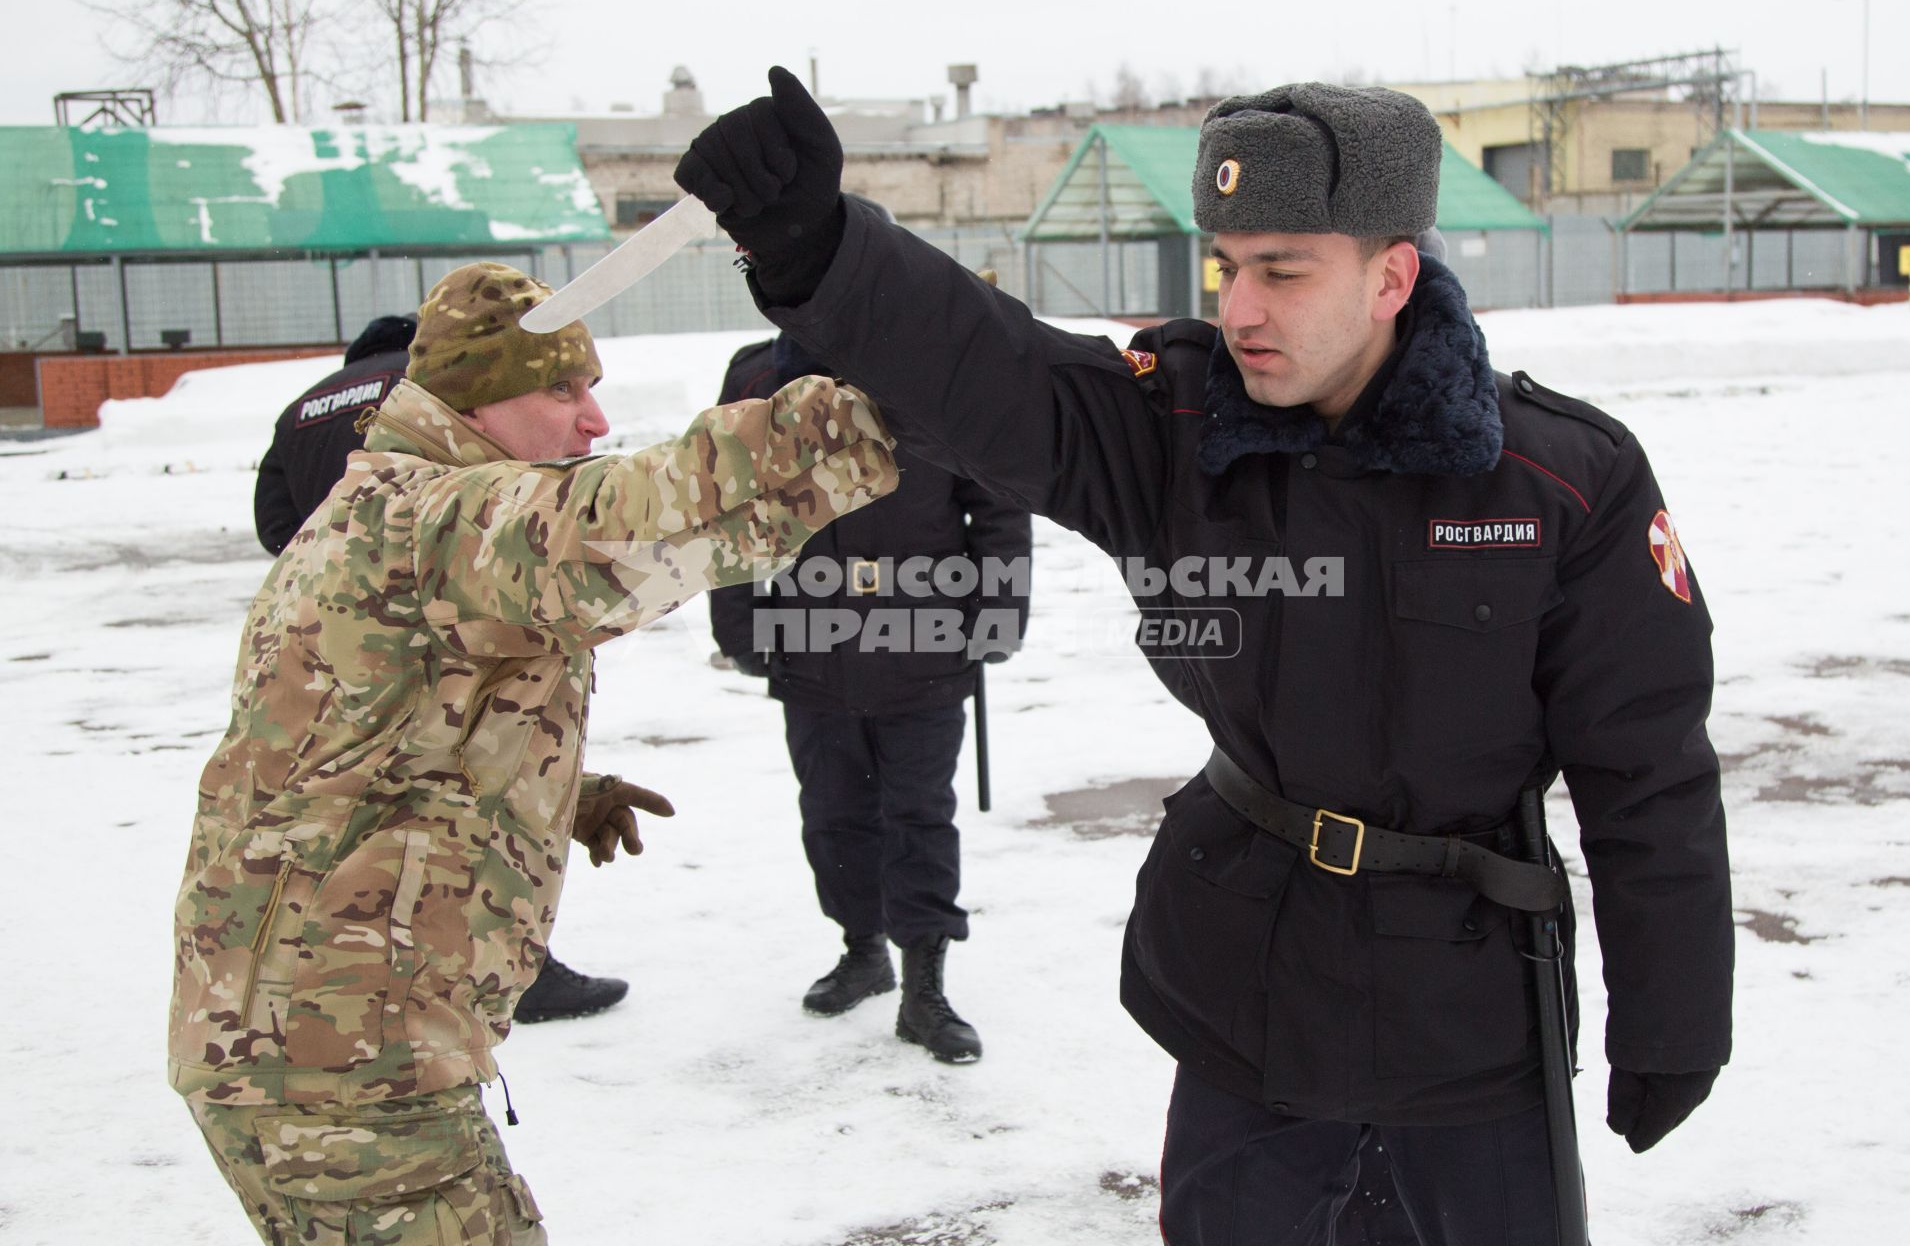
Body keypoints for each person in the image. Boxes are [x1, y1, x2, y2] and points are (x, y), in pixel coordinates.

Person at [674, 71, 1733, 1242]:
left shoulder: (1558, 481)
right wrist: (820, 248)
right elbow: (997, 372)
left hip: (1471, 1027)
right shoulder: (1178, 433)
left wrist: (1671, 1019)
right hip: (1249, 998)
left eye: (1283, 269)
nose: (1239, 308)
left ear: (1393, 275)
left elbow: (1648, 772)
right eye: (1227, 264)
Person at [170, 260, 897, 1244]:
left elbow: (345, 747)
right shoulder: (435, 520)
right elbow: (636, 521)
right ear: (473, 399)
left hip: (317, 1044)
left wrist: (554, 790)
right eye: (562, 389)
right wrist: (885, 402)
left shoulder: (386, 512)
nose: (593, 420)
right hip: (343, 1068)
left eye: (593, 386)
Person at [253, 311, 634, 1025]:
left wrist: (345, 570)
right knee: (466, 786)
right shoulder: (435, 392)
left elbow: (274, 520)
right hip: (469, 603)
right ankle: (511, 969)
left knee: (376, 785)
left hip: (342, 628)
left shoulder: (303, 406)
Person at [708, 316, 1031, 1064]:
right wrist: (740, 622)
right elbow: (725, 504)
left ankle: (926, 982)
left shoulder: (941, 367)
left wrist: (998, 613)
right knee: (832, 812)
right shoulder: (759, 375)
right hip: (810, 642)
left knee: (919, 812)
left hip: (926, 631)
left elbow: (998, 501)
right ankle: (863, 950)